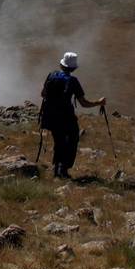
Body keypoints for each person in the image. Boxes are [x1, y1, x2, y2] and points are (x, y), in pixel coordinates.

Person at [40, 51, 105, 179]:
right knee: (71, 140)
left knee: (59, 141)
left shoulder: (52, 75)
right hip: (67, 117)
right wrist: (99, 103)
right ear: (73, 68)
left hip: (52, 115)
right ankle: (63, 169)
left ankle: (56, 168)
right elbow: (84, 103)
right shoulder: (73, 81)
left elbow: (43, 94)